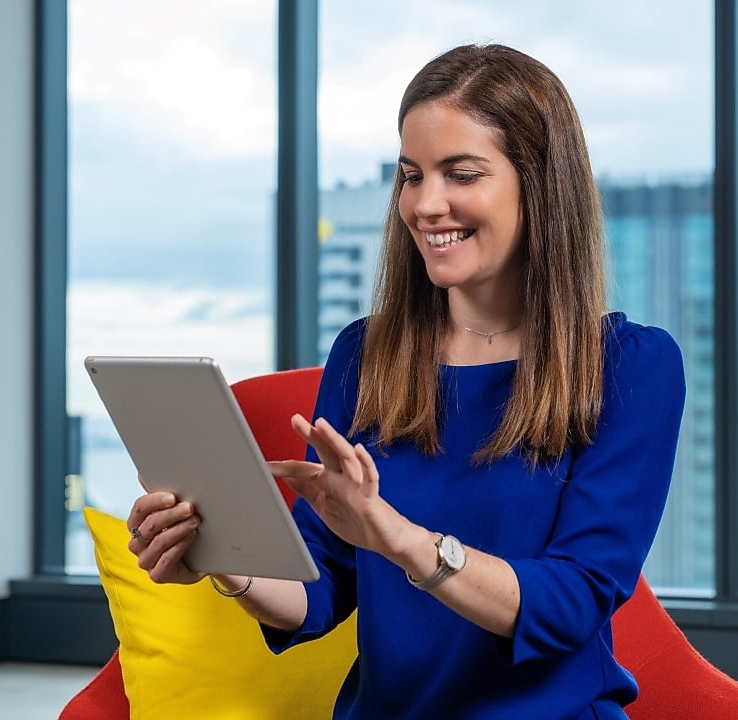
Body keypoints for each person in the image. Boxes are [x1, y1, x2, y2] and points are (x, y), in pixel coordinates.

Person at [126, 43, 686, 719]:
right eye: (411, 175)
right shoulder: (365, 355)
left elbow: (571, 603)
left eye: (461, 174)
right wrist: (225, 560)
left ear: (538, 185)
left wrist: (398, 537)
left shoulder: (633, 366)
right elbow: (321, 584)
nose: (425, 204)